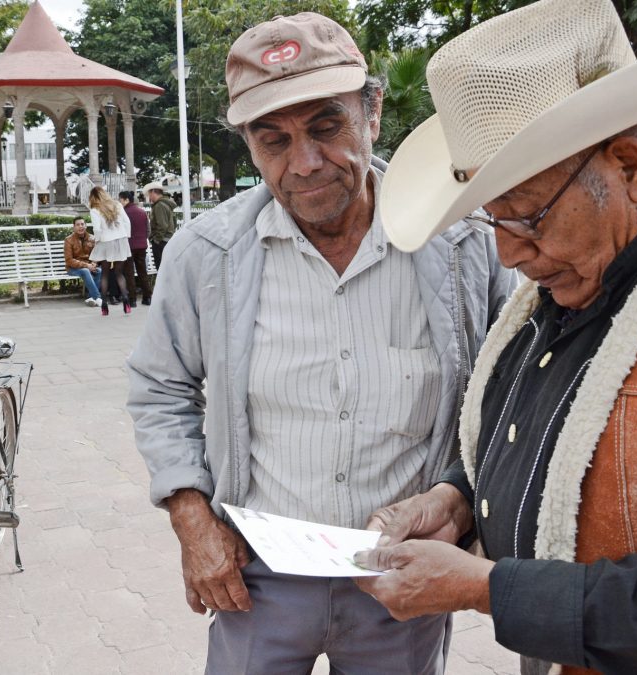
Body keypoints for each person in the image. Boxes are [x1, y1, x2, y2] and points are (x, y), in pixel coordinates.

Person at [352, 1, 637, 673]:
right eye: (492, 220)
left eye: (525, 216)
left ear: (631, 169)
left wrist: (485, 586)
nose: (506, 255)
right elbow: (548, 425)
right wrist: (458, 500)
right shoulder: (572, 272)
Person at [126, 12, 515, 674]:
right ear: (248, 144)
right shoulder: (206, 254)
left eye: (326, 127)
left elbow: (507, 394)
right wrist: (194, 525)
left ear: (372, 111)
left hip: (401, 579)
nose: (304, 164)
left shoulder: (464, 246)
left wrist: (456, 496)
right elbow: (160, 387)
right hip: (256, 580)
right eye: (272, 139)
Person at [88, 186, 133, 316]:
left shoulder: (95, 209)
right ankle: (126, 299)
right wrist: (126, 236)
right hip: (121, 240)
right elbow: (127, 222)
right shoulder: (117, 204)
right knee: (119, 273)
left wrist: (96, 240)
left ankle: (104, 305)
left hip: (106, 241)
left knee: (105, 274)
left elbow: (97, 229)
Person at [119, 190, 152, 306]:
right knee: (143, 272)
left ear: (126, 200)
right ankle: (147, 298)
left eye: (121, 200)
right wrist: (142, 239)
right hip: (142, 246)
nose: (120, 202)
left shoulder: (123, 213)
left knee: (129, 273)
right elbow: (148, 230)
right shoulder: (142, 212)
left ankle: (132, 299)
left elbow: (120, 231)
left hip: (128, 246)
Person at [64, 217, 103, 307]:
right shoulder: (68, 240)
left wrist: (94, 263)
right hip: (73, 268)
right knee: (85, 271)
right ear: (74, 227)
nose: (80, 227)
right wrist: (86, 265)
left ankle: (90, 298)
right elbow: (69, 260)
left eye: (82, 224)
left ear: (85, 226)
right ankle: (97, 297)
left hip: (88, 266)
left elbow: (96, 254)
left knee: (99, 271)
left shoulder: (92, 238)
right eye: (78, 225)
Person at [143, 183, 176, 271]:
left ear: (153, 192)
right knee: (167, 269)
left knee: (161, 269)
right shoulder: (166, 204)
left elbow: (162, 225)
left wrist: (156, 240)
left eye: (149, 194)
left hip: (161, 242)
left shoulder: (159, 205)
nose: (149, 197)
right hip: (167, 240)